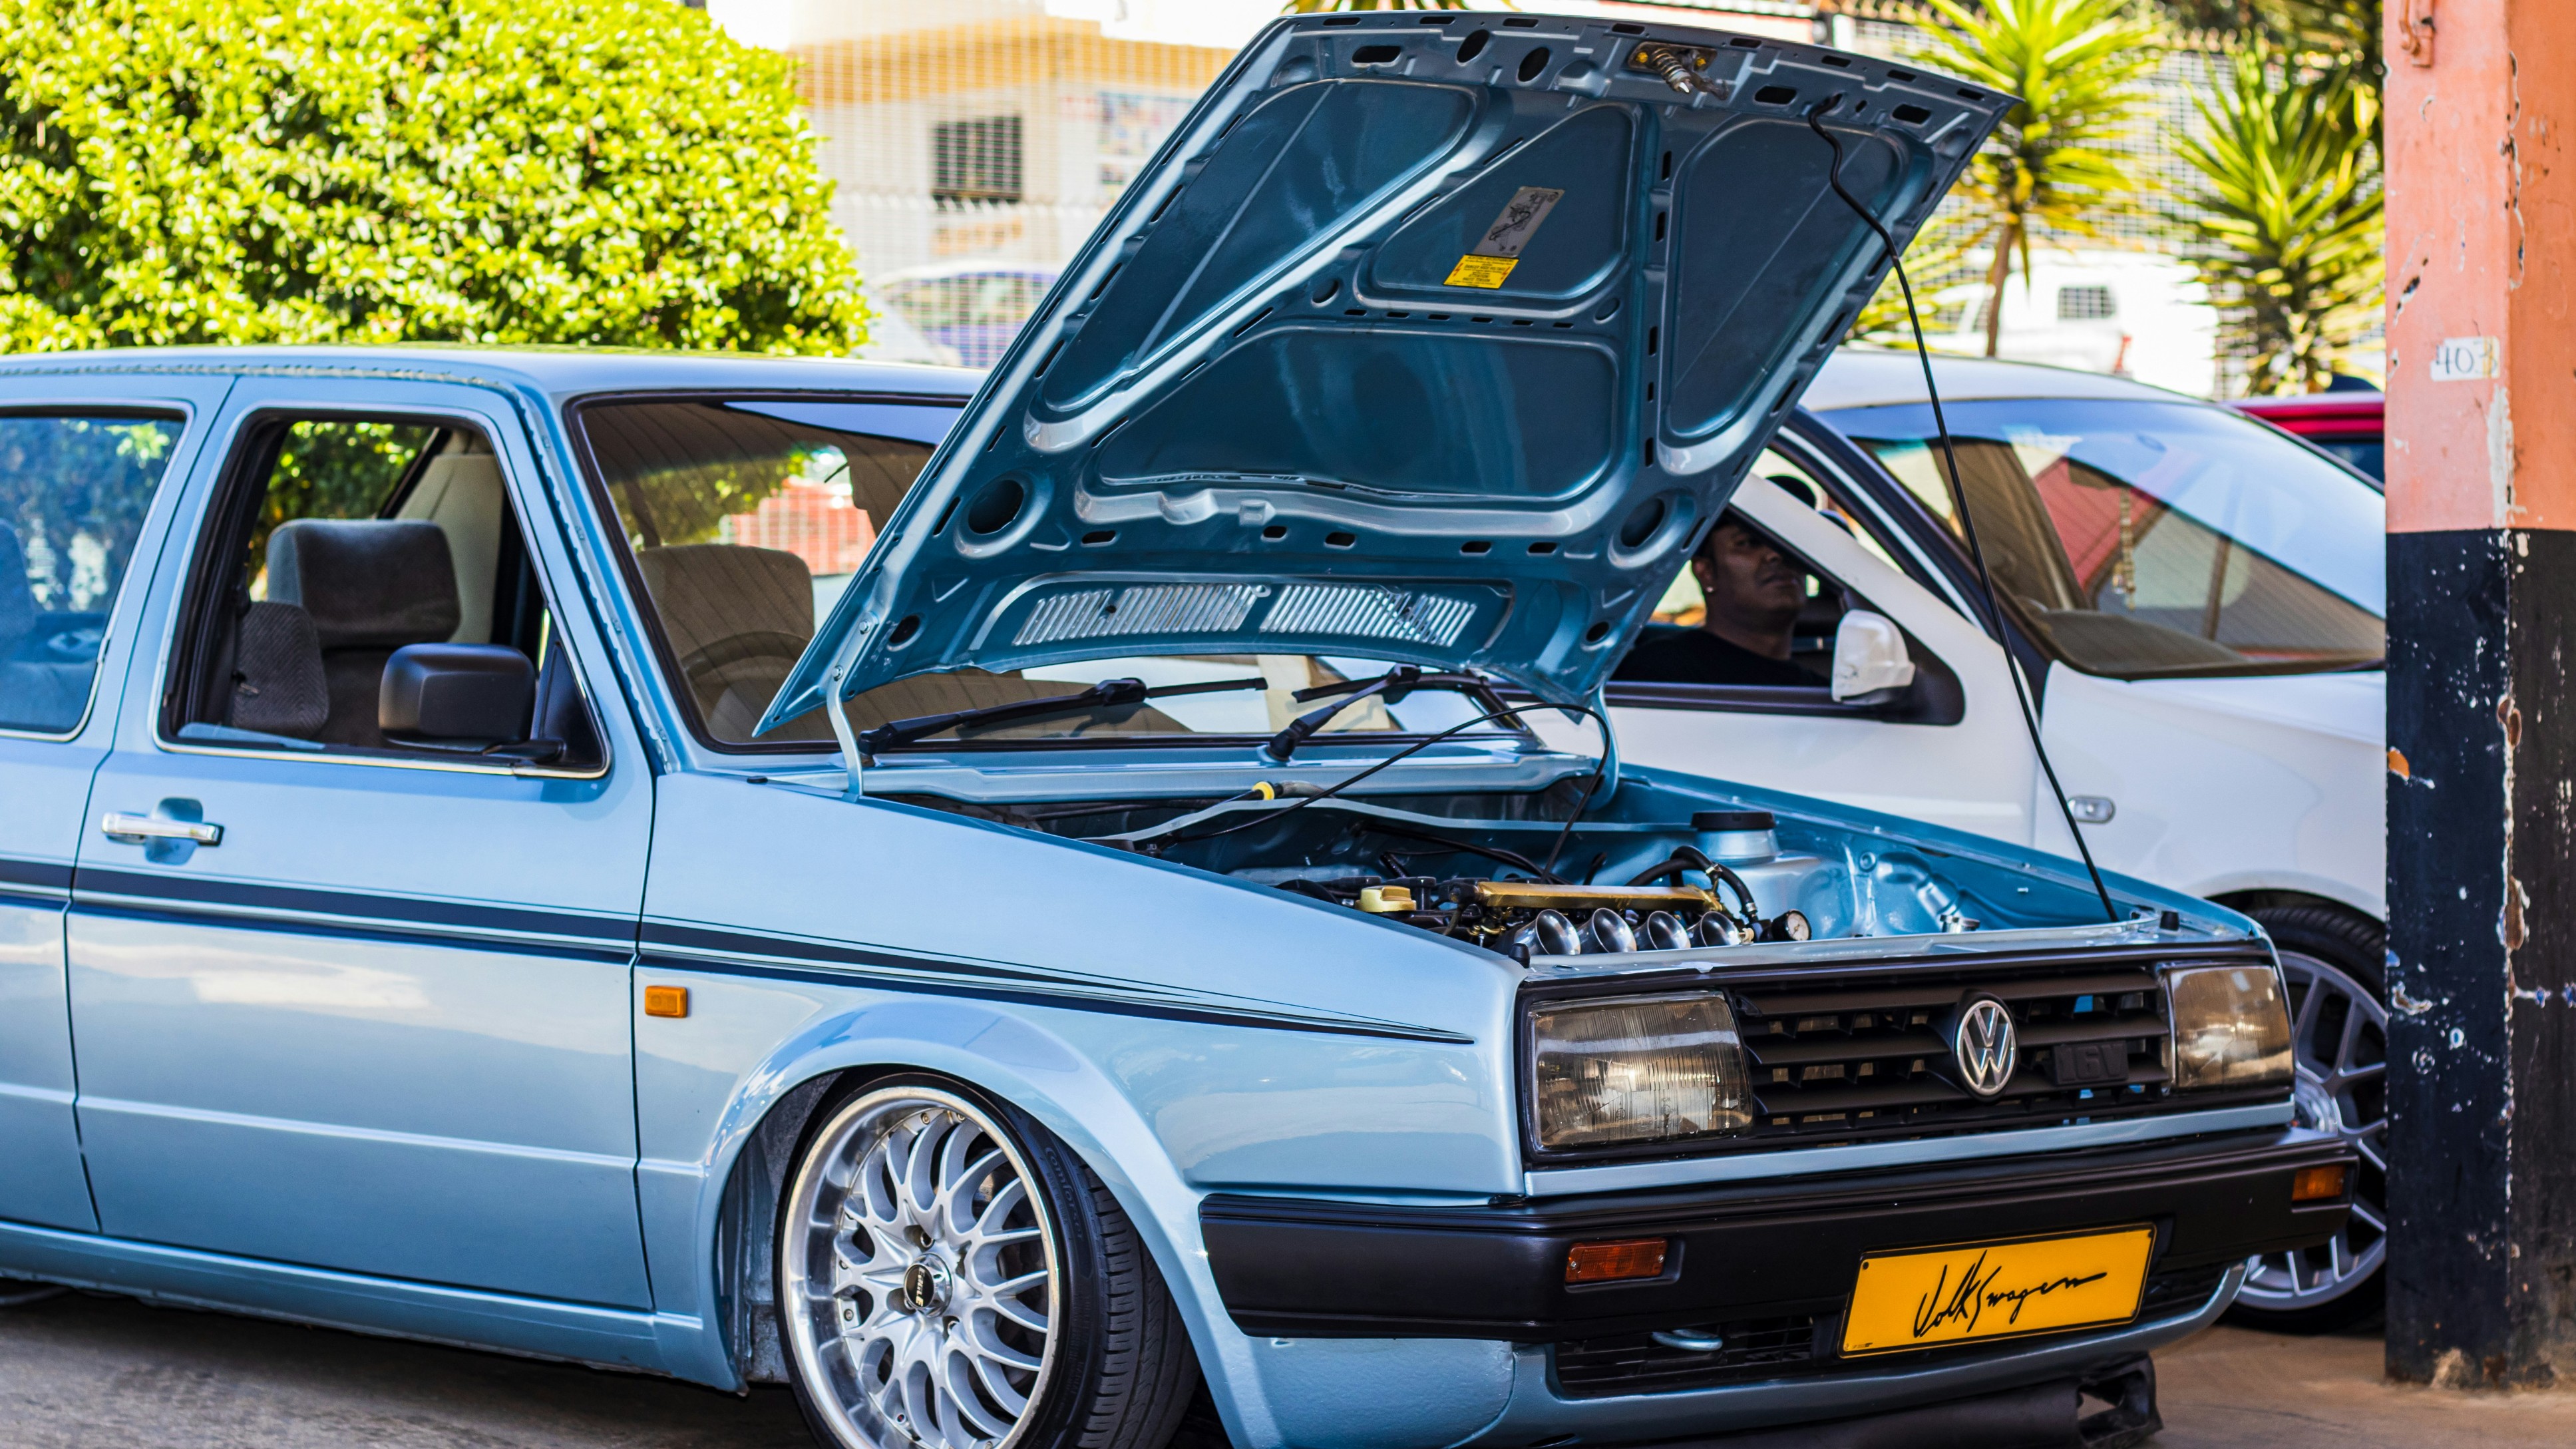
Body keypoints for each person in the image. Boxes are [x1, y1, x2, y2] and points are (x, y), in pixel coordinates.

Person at [1615, 513, 1825, 687]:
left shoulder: (1823, 691)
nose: (1776, 554)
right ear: (1706, 573)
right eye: (1748, 543)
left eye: (1787, 543)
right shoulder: (1661, 672)